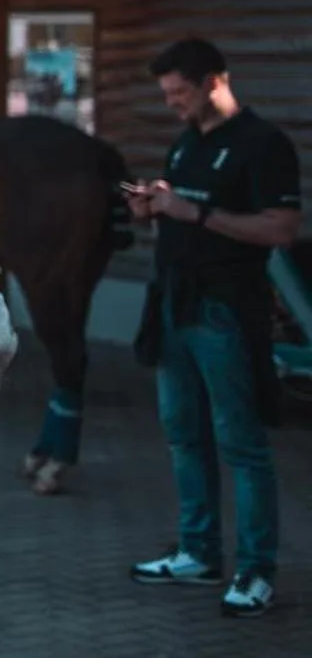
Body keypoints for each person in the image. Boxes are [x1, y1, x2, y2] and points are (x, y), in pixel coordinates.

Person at [127, 38, 300, 619]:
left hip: (226, 313)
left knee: (241, 444)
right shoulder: (187, 144)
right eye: (167, 94)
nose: (172, 104)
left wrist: (193, 213)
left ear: (213, 82)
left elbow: (280, 228)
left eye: (179, 93)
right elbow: (182, 212)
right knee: (183, 436)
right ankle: (199, 553)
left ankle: (256, 570)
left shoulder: (263, 144)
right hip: (174, 309)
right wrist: (155, 208)